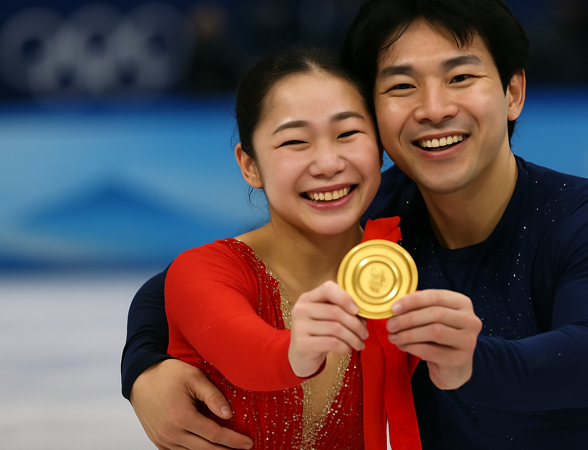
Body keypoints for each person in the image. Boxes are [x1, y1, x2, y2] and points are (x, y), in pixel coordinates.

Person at [122, 0, 588, 449]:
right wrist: (146, 371)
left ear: (513, 92)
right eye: (400, 86)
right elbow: (190, 281)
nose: (434, 107)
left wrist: (471, 359)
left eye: (460, 77)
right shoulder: (379, 213)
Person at [142, 46, 422, 450]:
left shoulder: (406, 268)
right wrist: (297, 349)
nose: (328, 163)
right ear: (250, 165)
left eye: (347, 134)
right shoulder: (202, 271)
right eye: (295, 141)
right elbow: (246, 353)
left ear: (378, 147)